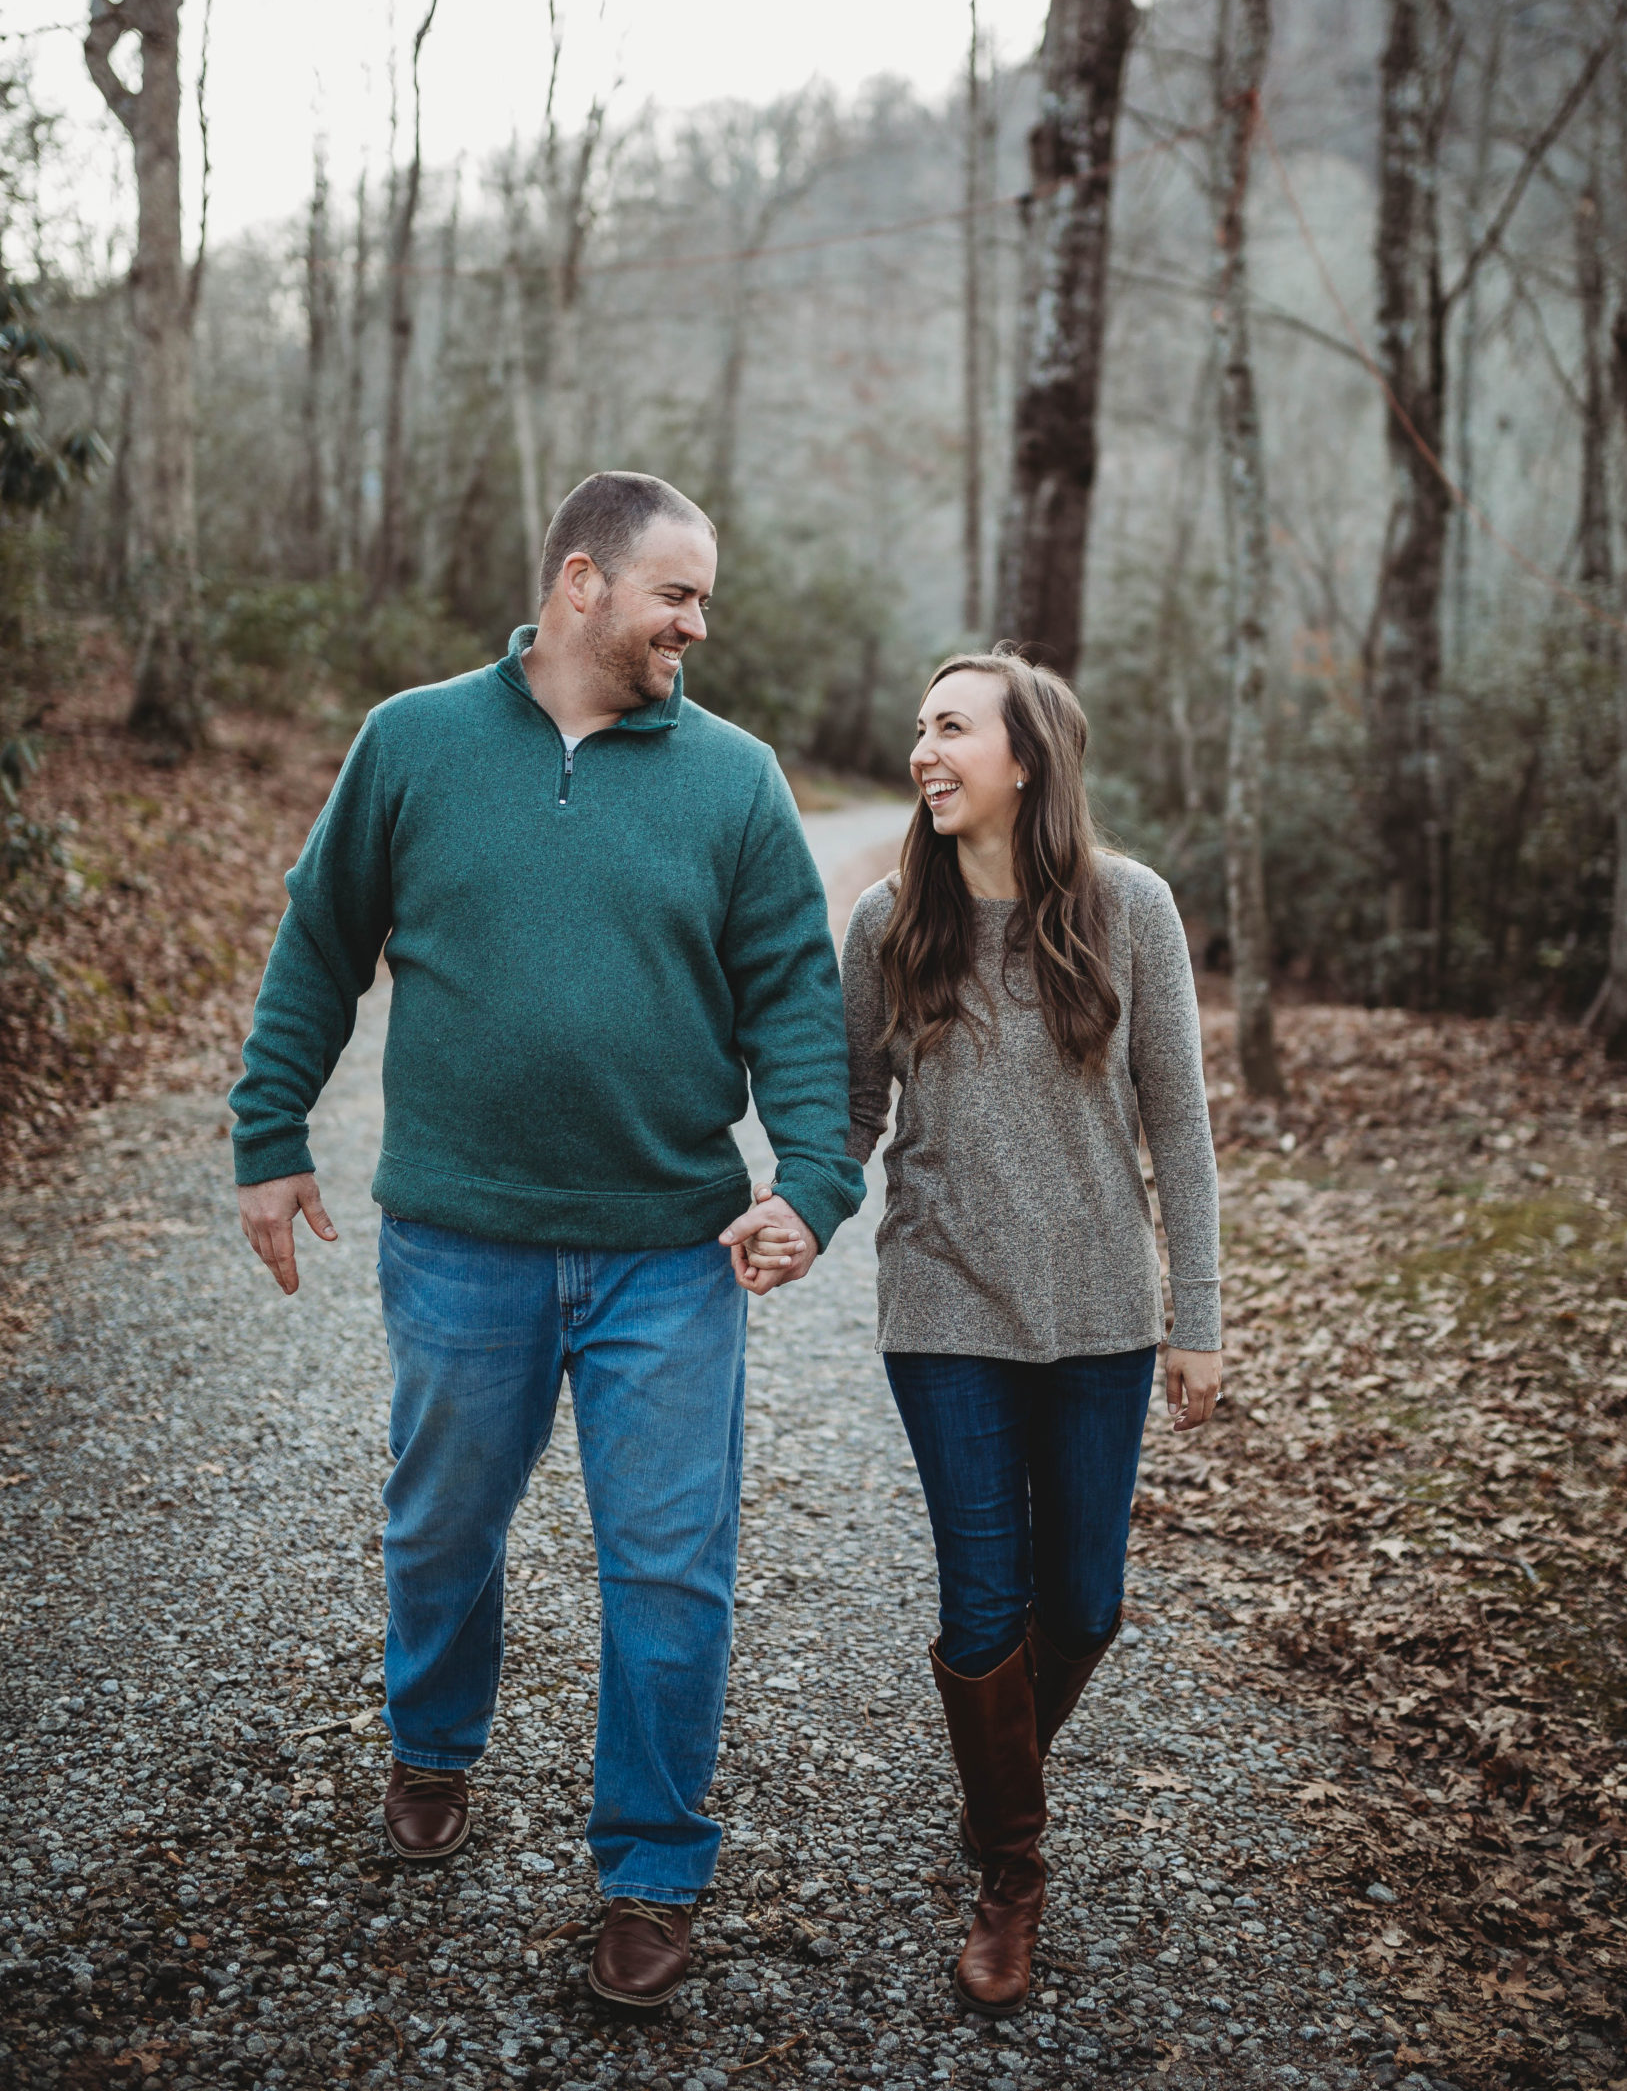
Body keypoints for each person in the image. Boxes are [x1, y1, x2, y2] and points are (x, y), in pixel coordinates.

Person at [230, 471, 862, 2013]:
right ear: (583, 583)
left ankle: (650, 1869)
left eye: (704, 600)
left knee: (671, 1567)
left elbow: (793, 997)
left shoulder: (735, 780)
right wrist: (269, 1135)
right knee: (439, 1527)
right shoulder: (415, 741)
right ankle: (433, 1743)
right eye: (678, 595)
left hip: (668, 1250)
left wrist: (813, 1182)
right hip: (461, 1239)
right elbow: (323, 942)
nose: (698, 627)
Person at [838, 648, 1222, 2018]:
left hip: (1107, 1315)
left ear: (1026, 758)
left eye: (950, 728)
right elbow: (849, 1113)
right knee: (984, 1598)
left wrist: (1199, 1319)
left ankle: (996, 1775)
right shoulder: (890, 922)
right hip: (943, 1305)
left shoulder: (1132, 912)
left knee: (1088, 1601)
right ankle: (1012, 1867)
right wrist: (784, 1212)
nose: (921, 752)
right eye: (919, 731)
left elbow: (1178, 1123)